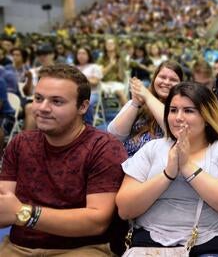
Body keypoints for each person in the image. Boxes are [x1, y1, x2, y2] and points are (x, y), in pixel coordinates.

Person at [116, 82, 218, 256]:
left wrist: (186, 166)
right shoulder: (152, 149)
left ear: (207, 117)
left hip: (212, 245)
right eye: (173, 110)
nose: (178, 117)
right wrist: (168, 174)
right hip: (149, 246)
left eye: (189, 111)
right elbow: (125, 209)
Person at [0, 64, 127, 256]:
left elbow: (96, 221)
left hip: (82, 249)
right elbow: (4, 209)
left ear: (83, 107)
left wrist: (25, 214)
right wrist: (16, 212)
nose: (42, 108)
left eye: (57, 102)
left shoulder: (103, 148)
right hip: (18, 248)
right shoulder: (21, 143)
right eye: (38, 98)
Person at [107, 60, 183, 157]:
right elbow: (114, 135)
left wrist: (147, 95)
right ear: (154, 78)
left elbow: (171, 127)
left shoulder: (182, 110)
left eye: (173, 80)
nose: (166, 82)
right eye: (162, 77)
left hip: (155, 164)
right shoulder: (140, 102)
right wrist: (135, 104)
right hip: (126, 158)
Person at [74, 46, 103, 125]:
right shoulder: (74, 67)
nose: (81, 55)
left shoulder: (94, 67)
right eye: (79, 53)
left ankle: (88, 126)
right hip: (75, 93)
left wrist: (80, 77)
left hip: (92, 93)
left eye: (83, 53)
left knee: (86, 103)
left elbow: (95, 82)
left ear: (88, 55)